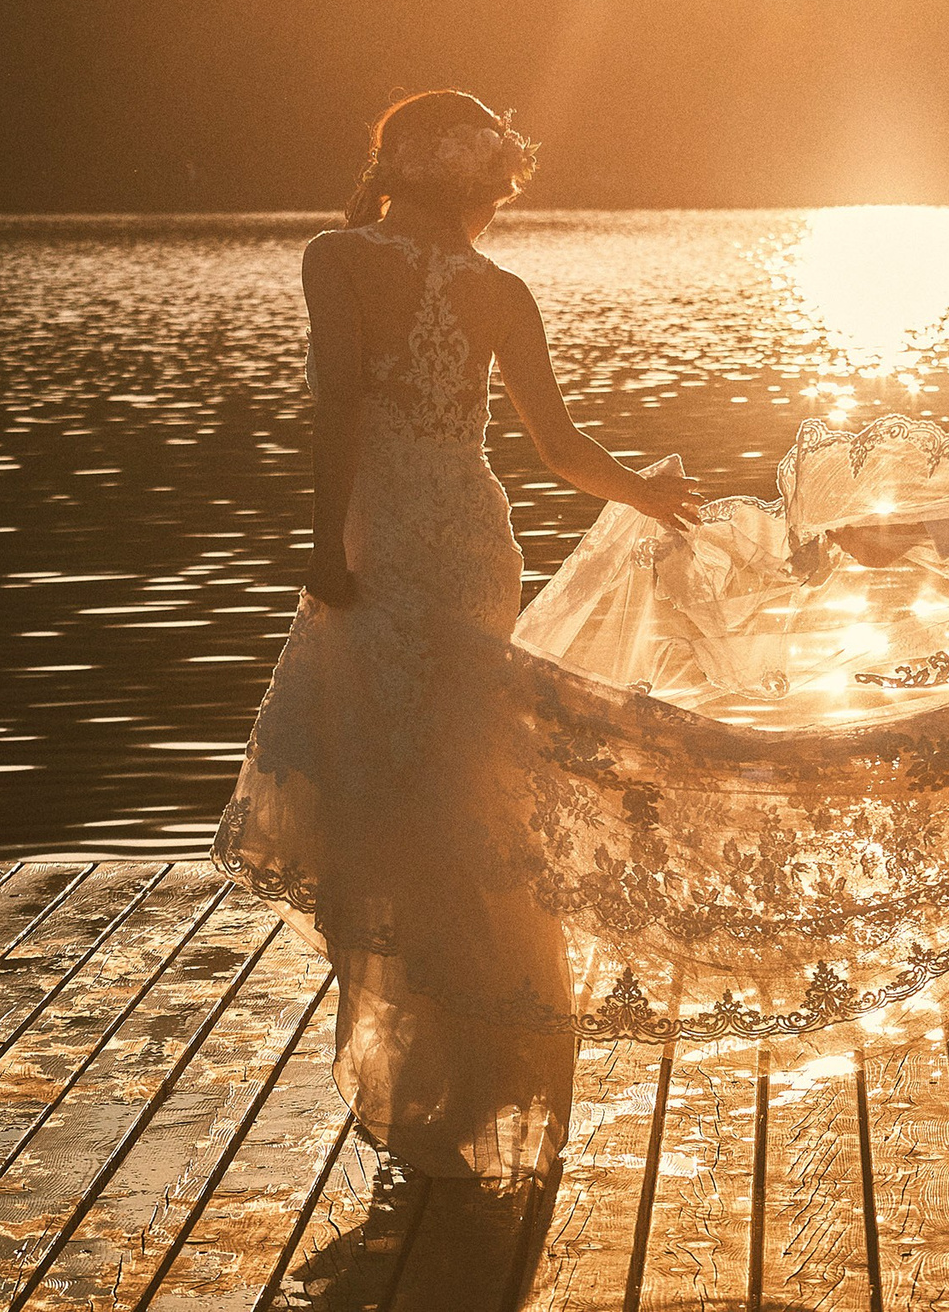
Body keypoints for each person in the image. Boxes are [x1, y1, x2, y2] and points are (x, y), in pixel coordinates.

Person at [210, 89, 701, 1177]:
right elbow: (561, 448)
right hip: (474, 542)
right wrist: (644, 495)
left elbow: (339, 401)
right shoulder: (501, 290)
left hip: (384, 537)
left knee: (386, 796)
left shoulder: (338, 258)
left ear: (394, 167)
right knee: (459, 789)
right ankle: (475, 1074)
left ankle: (435, 1078)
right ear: (484, 183)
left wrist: (325, 546)